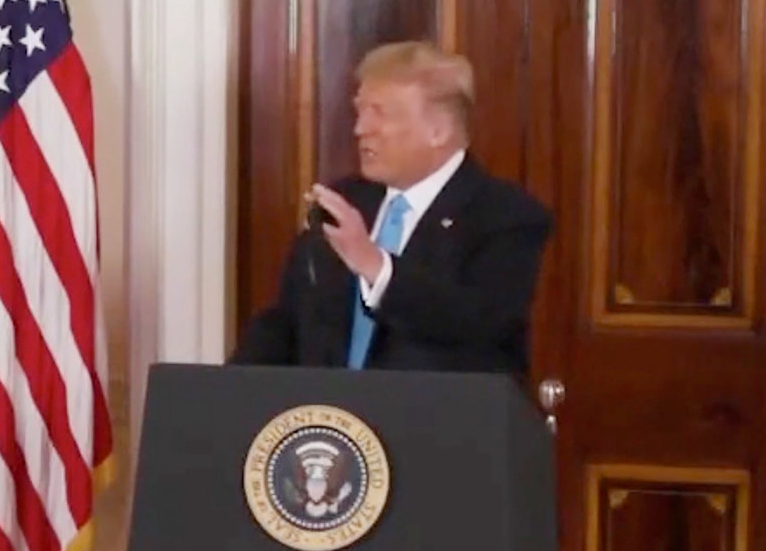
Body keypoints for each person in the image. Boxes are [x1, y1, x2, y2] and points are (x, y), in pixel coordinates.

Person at [232, 41, 552, 377]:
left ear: (438, 131)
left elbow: (476, 324)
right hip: (331, 423)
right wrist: (224, 389)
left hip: (437, 423)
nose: (360, 129)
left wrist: (375, 266)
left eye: (379, 113)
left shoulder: (506, 216)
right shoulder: (345, 202)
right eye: (360, 111)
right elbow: (288, 321)